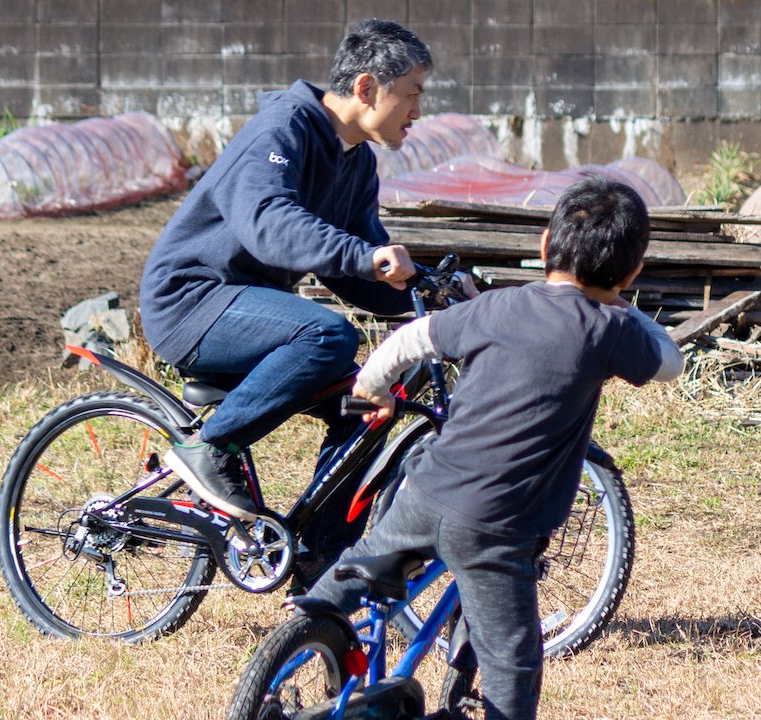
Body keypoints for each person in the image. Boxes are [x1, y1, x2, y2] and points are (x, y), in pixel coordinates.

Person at [304, 175, 685, 720]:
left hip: (425, 490)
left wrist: (372, 385)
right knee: (513, 664)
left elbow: (410, 339)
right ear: (631, 272)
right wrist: (628, 307)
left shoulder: (497, 307)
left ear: (544, 248)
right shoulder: (608, 329)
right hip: (497, 529)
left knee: (350, 574)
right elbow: (670, 364)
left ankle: (297, 633)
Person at [138, 20, 432, 526]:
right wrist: (367, 258)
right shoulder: (284, 128)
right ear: (365, 87)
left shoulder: (357, 162)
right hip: (191, 302)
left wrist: (430, 289)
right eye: (411, 93)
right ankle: (210, 449)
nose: (417, 112)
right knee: (328, 334)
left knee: (370, 405)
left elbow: (359, 267)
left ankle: (318, 559)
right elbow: (268, 221)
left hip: (249, 310)